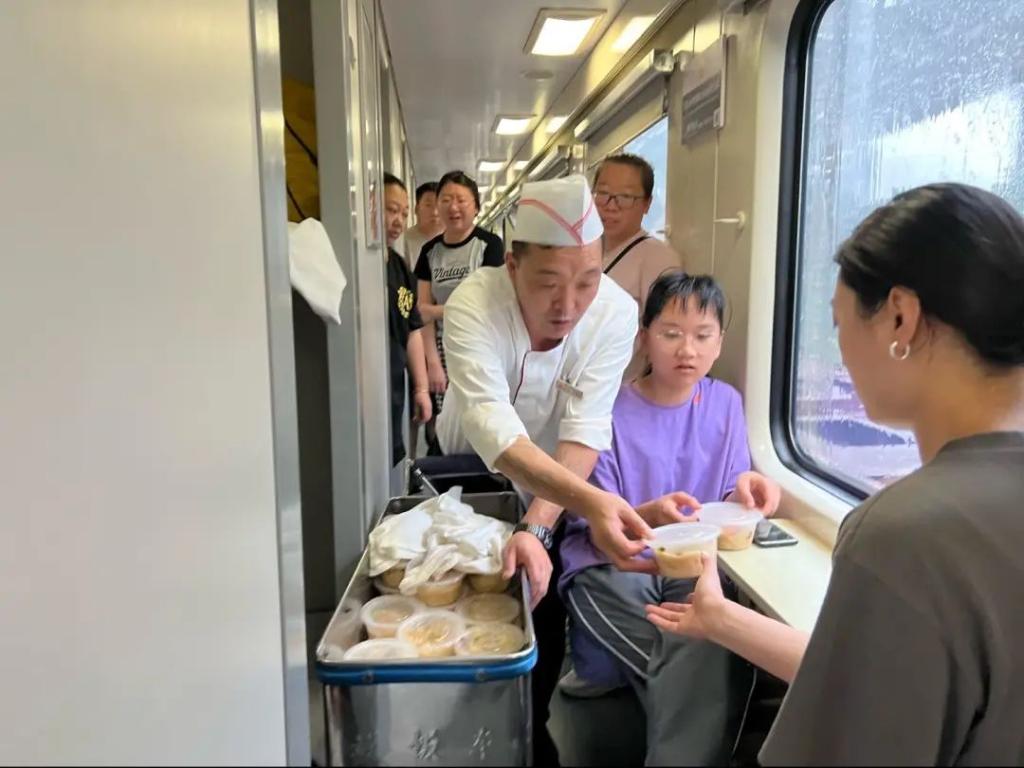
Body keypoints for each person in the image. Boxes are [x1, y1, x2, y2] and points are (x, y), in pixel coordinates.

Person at [648, 183, 1024, 765]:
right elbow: (883, 686)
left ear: (900, 318)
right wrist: (721, 619)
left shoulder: (904, 536)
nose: (840, 351)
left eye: (837, 322)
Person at [436, 174, 684, 765]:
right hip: (472, 465)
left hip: (556, 479)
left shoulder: (614, 315)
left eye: (587, 281)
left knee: (538, 603)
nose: (569, 305)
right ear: (513, 264)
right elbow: (495, 431)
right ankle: (455, 729)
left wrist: (540, 524)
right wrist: (593, 503)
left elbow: (585, 430)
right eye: (548, 283)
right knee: (459, 597)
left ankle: (529, 728)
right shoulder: (475, 302)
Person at [556, 272, 781, 765]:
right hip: (613, 560)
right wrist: (646, 516)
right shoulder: (609, 407)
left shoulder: (725, 403)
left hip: (691, 562)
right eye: (671, 333)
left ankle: (601, 674)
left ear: (720, 343)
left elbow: (728, 491)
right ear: (644, 338)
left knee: (699, 641)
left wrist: (747, 490)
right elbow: (595, 516)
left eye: (703, 335)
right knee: (705, 657)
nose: (687, 350)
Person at [415, 171, 505, 453]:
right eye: (445, 200)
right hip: (440, 349)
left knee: (479, 417)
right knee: (444, 424)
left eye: (461, 200)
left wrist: (438, 310)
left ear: (476, 206)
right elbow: (421, 312)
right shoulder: (429, 252)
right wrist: (432, 363)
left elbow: (488, 305)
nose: (453, 207)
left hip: (482, 346)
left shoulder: (490, 245)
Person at [593, 153, 683, 380]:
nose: (610, 206)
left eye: (625, 197)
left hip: (625, 388)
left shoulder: (658, 258)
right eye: (603, 194)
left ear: (646, 204)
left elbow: (670, 334)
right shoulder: (587, 250)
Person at [382, 173, 432, 466]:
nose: (398, 221)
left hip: (394, 391)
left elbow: (413, 331)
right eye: (391, 210)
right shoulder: (351, 264)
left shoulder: (400, 269)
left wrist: (421, 389)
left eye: (403, 213)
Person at [402, 181, 442, 269]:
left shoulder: (457, 239)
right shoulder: (404, 242)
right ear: (416, 209)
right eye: (428, 205)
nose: (435, 212)